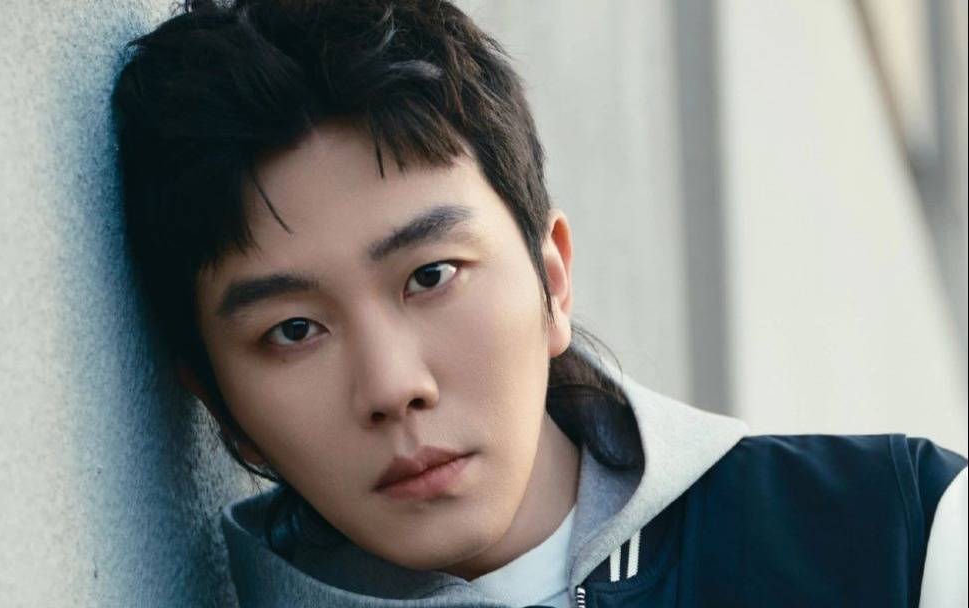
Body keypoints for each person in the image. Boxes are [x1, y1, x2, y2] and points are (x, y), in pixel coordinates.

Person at [111, 1, 968, 606]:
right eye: (294, 330)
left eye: (430, 276)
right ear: (221, 409)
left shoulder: (902, 537)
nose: (393, 386)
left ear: (552, 276)